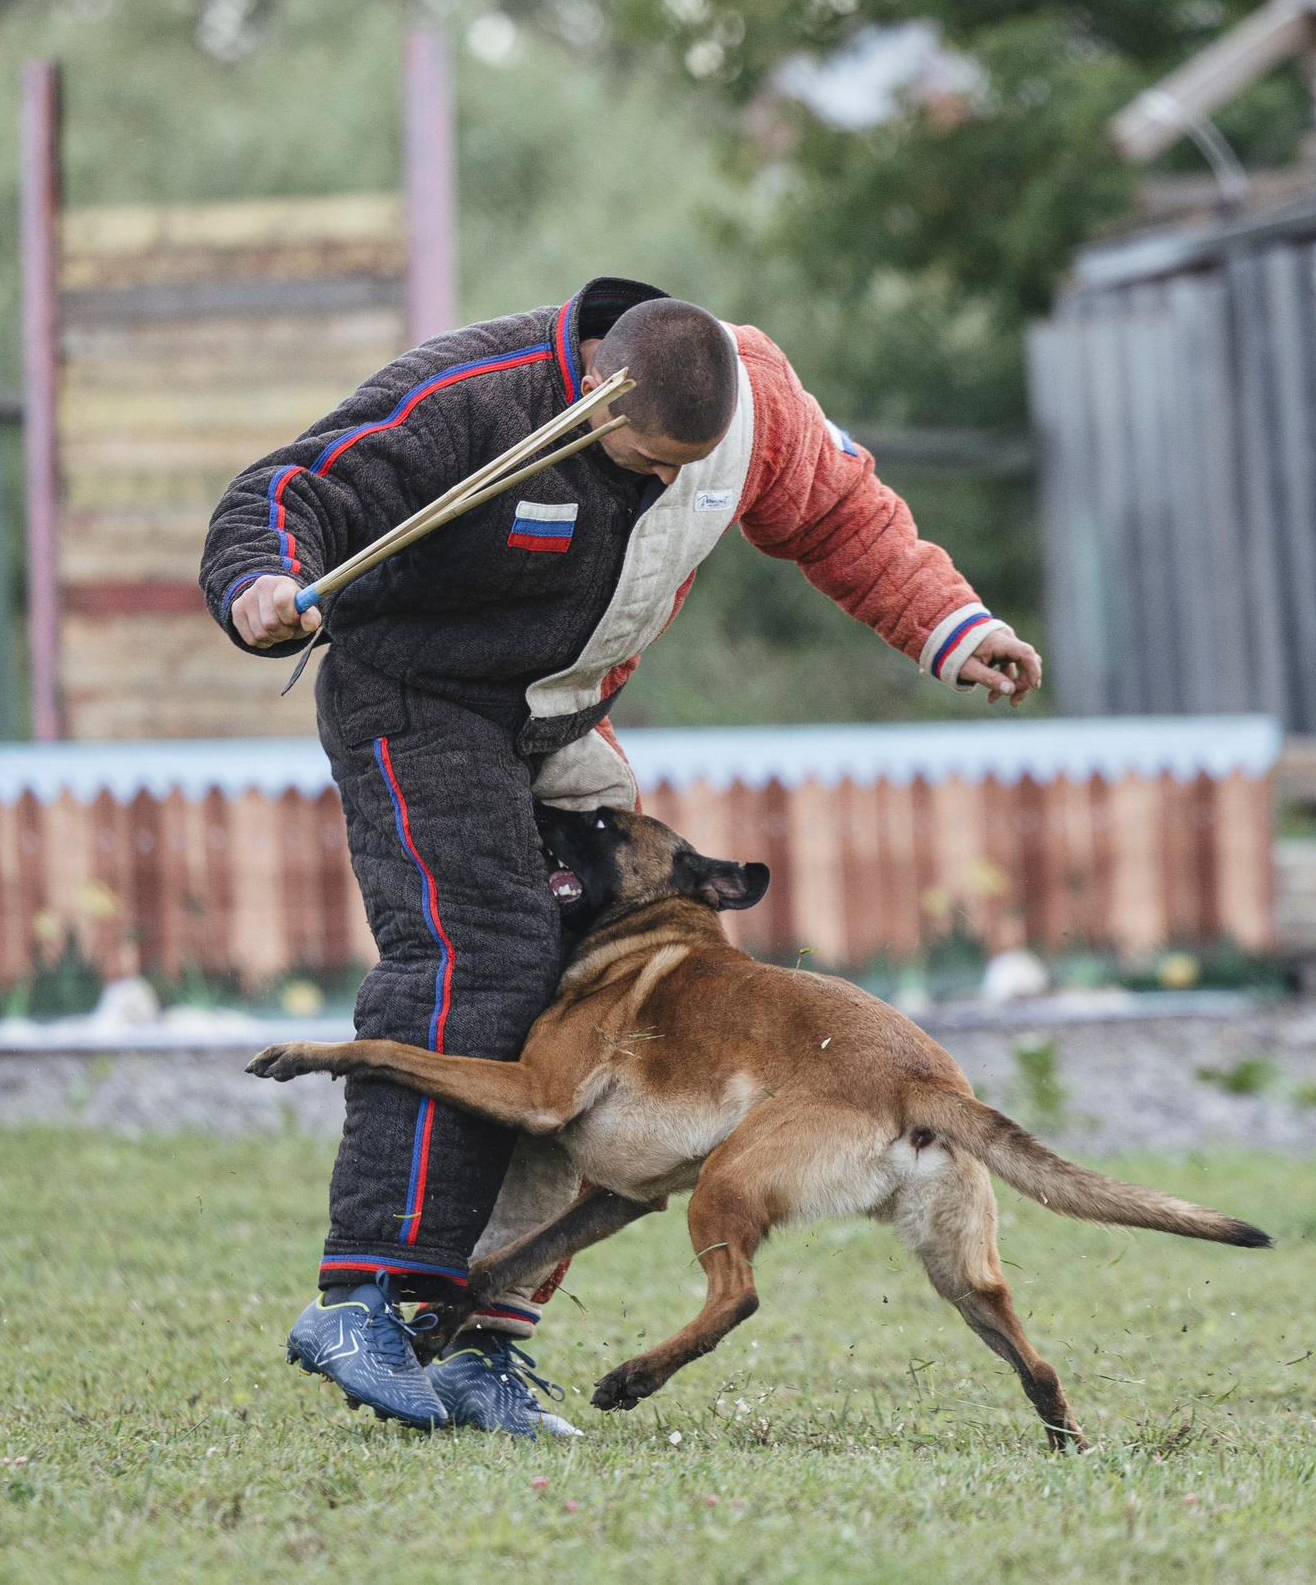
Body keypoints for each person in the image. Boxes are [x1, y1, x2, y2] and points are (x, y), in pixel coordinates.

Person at [199, 277, 1041, 1437]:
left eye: (679, 467)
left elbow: (848, 516)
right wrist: (258, 581)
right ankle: (366, 1296)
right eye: (643, 461)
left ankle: (480, 1337)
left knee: (635, 1000)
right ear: (593, 398)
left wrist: (958, 627)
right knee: (481, 954)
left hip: (563, 713)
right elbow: (289, 488)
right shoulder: (476, 396)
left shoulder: (756, 403)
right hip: (419, 700)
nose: (659, 483)